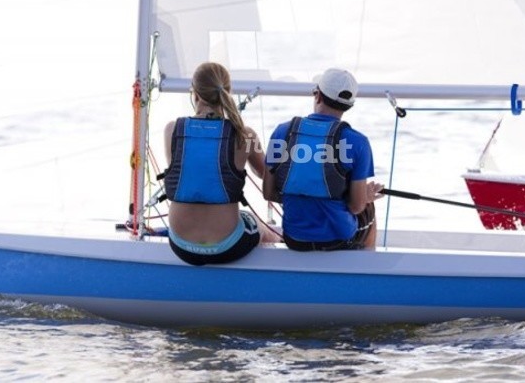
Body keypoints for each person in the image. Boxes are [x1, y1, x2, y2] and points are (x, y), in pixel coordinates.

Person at [163, 62, 276, 266]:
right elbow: (265, 174)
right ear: (227, 92)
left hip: (181, 246)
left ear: (195, 94)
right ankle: (280, 246)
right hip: (227, 247)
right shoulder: (245, 135)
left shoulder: (172, 130)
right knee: (260, 226)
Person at [263, 68, 384, 251]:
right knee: (368, 208)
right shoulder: (359, 142)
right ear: (349, 106)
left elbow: (268, 193)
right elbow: (356, 207)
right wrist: (363, 197)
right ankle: (366, 263)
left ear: (318, 96)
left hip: (294, 239)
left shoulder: (282, 132)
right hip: (337, 240)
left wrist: (301, 195)